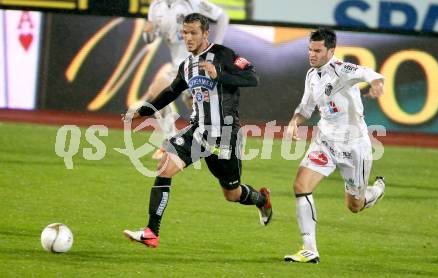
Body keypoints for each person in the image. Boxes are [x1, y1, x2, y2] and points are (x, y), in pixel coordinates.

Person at [122, 13, 272, 248]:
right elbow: (171, 92)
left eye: (193, 33)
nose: (188, 38)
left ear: (205, 33)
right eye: (185, 33)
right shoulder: (186, 65)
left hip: (224, 136)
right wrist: (145, 110)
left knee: (231, 193)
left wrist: (220, 74)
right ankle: (152, 232)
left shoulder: (223, 54)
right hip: (198, 132)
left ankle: (261, 199)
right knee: (164, 168)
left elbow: (253, 78)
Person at [283, 27, 386, 263]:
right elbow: (306, 108)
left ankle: (375, 192)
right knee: (300, 185)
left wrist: (377, 83)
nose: (312, 54)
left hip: (354, 146)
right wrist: (294, 122)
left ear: (331, 51)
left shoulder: (342, 70)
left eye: (318, 50)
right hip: (325, 142)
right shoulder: (311, 75)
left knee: (355, 205)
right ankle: (309, 249)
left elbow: (367, 72)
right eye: (310, 49)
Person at [140, 0, 229, 159]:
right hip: (178, 66)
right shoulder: (156, 6)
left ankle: (224, 143)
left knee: (197, 107)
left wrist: (217, 48)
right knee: (157, 94)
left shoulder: (192, 2)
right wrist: (148, 32)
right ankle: (170, 141)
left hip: (196, 63)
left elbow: (223, 16)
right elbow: (150, 37)